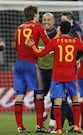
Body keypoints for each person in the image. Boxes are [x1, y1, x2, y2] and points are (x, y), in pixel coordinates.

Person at [28, 21, 83, 134]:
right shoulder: (75, 41)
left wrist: (32, 45)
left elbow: (40, 53)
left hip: (57, 75)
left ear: (60, 30)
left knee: (57, 101)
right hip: (70, 75)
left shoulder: (55, 42)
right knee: (74, 100)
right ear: (70, 30)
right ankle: (76, 126)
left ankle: (59, 129)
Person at [13, 5, 50, 133]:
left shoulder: (19, 28)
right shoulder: (38, 27)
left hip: (18, 64)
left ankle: (20, 127)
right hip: (31, 64)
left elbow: (17, 46)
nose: (39, 15)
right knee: (40, 93)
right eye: (38, 13)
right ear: (35, 14)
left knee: (20, 95)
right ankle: (39, 126)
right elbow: (47, 42)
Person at [36, 12, 56, 133]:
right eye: (44, 19)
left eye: (49, 20)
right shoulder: (37, 34)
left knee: (55, 99)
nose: (46, 22)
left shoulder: (57, 36)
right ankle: (41, 117)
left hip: (54, 71)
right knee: (38, 97)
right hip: (41, 71)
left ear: (53, 21)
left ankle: (52, 124)